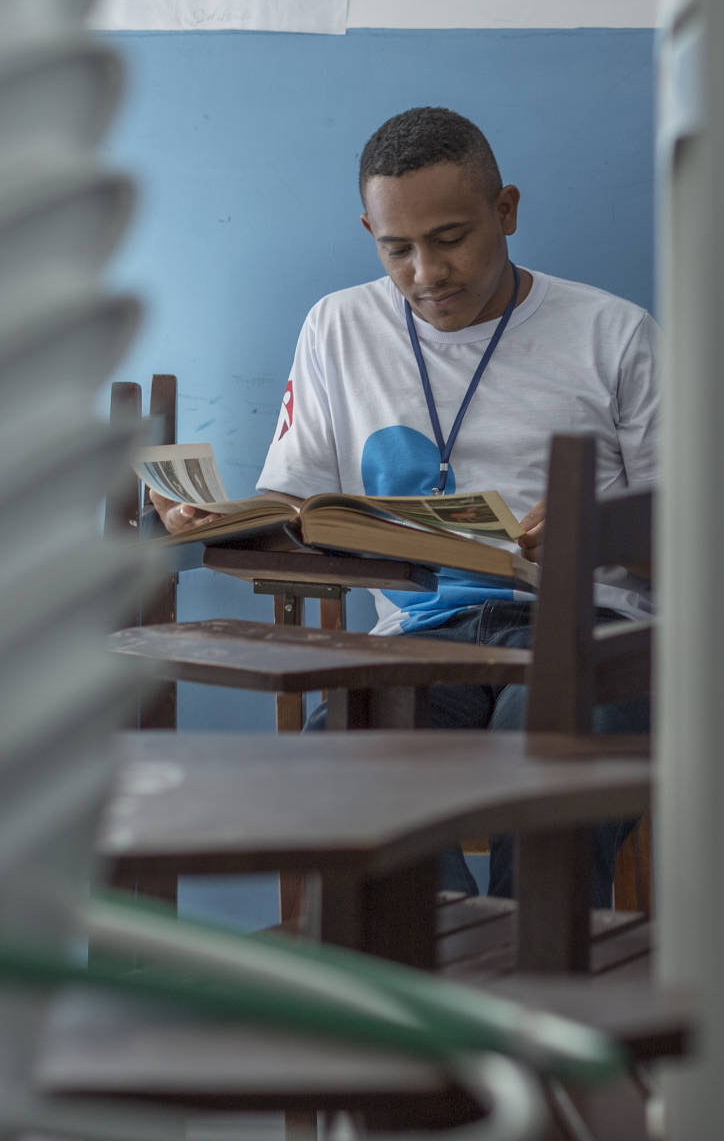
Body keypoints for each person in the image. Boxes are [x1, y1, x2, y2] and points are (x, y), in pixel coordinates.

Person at [151, 105, 656, 902]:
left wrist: (599, 533)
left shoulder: (615, 334)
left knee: (543, 741)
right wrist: (229, 519)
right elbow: (296, 497)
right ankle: (449, 974)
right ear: (369, 232)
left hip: (593, 631)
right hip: (424, 634)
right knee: (344, 753)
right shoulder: (337, 327)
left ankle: (539, 1001)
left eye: (451, 238)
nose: (426, 273)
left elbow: (695, 544)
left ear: (507, 209)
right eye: (397, 248)